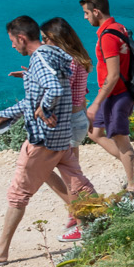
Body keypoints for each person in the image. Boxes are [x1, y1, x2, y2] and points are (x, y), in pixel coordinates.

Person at [0, 16, 93, 267]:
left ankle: (0, 251)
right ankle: (104, 230)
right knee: (79, 186)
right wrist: (2, 115)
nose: (12, 46)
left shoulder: (40, 58)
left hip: (43, 140)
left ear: (22, 38)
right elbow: (35, 98)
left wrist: (45, 109)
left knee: (18, 194)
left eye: (13, 41)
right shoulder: (56, 55)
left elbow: (53, 90)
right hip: (61, 137)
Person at [80, 0, 134, 195]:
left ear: (96, 12)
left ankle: (133, 187)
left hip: (116, 95)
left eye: (86, 13)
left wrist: (96, 103)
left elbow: (114, 74)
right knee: (94, 132)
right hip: (115, 93)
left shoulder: (108, 36)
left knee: (121, 140)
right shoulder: (119, 27)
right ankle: (133, 168)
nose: (85, 17)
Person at [40, 17, 98, 242]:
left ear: (56, 39)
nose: (43, 43)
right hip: (78, 118)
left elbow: (61, 93)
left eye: (45, 39)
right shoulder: (79, 58)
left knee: (63, 173)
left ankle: (83, 220)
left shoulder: (67, 62)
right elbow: (80, 94)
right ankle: (77, 214)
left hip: (68, 121)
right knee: (71, 173)